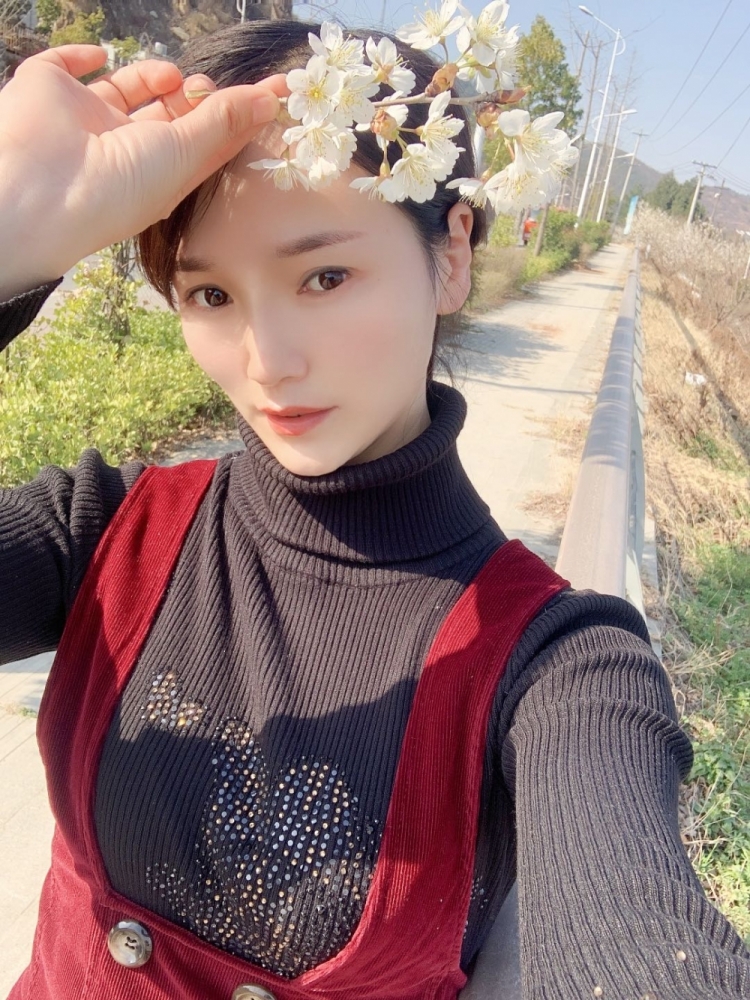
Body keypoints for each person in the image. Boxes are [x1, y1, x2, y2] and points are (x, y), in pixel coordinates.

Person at [1, 18, 749, 1000]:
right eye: (211, 295)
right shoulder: (106, 534)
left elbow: (639, 941)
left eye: (324, 276)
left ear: (452, 254)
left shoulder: (557, 667)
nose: (269, 361)